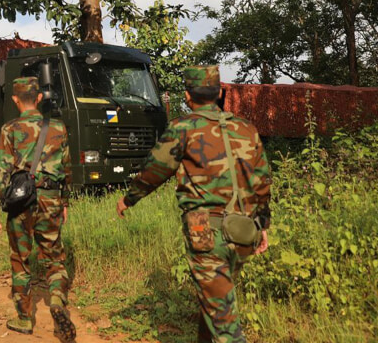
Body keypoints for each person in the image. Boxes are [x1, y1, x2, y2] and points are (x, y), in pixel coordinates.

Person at [116, 66, 272, 343]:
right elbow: (262, 181)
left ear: (188, 96)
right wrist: (263, 225)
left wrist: (129, 199)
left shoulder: (183, 128)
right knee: (214, 300)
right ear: (220, 93)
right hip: (244, 230)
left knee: (223, 319)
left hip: (205, 232)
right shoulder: (246, 129)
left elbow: (156, 169)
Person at [0, 77, 75, 343]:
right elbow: (67, 168)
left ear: (15, 100)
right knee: (54, 256)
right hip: (51, 198)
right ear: (38, 98)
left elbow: (0, 170)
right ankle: (57, 300)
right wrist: (65, 201)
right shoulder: (58, 127)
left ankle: (24, 318)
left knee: (20, 259)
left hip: (21, 201)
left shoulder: (10, 128)